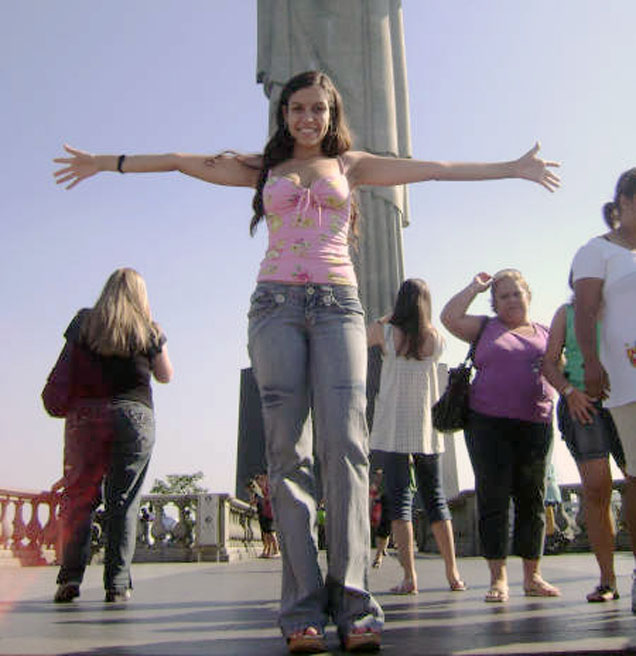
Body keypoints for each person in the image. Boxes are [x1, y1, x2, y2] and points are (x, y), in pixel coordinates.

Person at [53, 70, 559, 652]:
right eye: (297, 108)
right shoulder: (259, 166)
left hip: (340, 307)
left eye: (318, 108)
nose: (308, 119)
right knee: (286, 451)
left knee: (346, 447)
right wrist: (106, 162)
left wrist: (512, 168)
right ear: (284, 114)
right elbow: (175, 160)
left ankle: (355, 603)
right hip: (275, 308)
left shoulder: (352, 165)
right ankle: (300, 611)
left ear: (332, 113)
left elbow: (436, 169)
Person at [53, 0, 599, 320]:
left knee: (374, 176)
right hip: (297, 56)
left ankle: (388, 326)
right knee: (295, 172)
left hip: (369, 66)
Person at [50, 268, 173, 604]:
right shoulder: (149, 329)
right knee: (124, 501)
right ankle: (117, 584)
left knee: (79, 499)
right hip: (134, 415)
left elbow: (66, 363)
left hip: (85, 417)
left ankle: (69, 580)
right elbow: (165, 376)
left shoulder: (84, 321)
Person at [441, 269, 559, 603]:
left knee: (532, 499)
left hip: (536, 423)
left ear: (529, 296)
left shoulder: (546, 332)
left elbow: (561, 367)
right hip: (488, 424)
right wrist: (474, 288)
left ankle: (532, 576)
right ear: (495, 303)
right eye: (503, 295)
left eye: (516, 293)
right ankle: (498, 578)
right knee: (493, 497)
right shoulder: (484, 328)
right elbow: (449, 317)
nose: (511, 300)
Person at [368, 279, 464, 594]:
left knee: (400, 501)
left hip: (395, 424)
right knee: (435, 499)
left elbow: (363, 335)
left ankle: (410, 577)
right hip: (426, 424)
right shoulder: (435, 339)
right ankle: (453, 573)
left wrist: (387, 317)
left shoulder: (387, 334)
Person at [571, 168, 636, 611]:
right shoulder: (596, 252)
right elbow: (585, 310)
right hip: (628, 380)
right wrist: (592, 364)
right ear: (624, 204)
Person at [541, 282, 625, 601]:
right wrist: (569, 392)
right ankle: (607, 580)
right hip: (583, 404)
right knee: (596, 488)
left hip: (625, 401)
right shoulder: (566, 314)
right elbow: (549, 362)